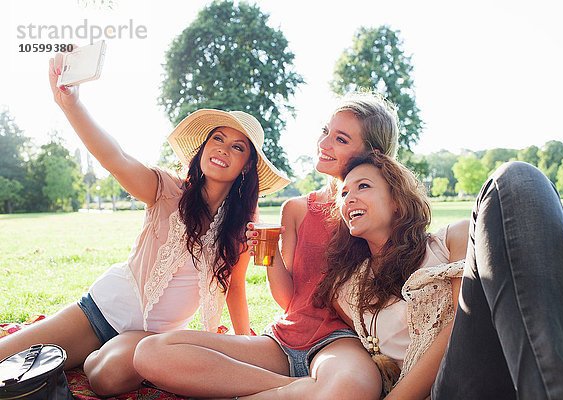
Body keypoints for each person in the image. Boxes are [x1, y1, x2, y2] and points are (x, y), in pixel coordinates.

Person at [0, 53, 290, 396]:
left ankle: (96, 359)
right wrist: (71, 104)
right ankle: (87, 353)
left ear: (245, 166)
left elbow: (235, 286)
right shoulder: (166, 189)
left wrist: (245, 342)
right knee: (5, 360)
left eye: (237, 147)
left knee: (107, 380)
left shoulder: (241, 227)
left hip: (152, 340)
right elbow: (116, 159)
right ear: (202, 149)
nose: (223, 150)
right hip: (100, 313)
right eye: (217, 139)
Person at [133, 92, 401, 399]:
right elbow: (290, 300)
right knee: (151, 352)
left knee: (350, 388)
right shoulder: (297, 209)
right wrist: (270, 257)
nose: (324, 144)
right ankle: (294, 390)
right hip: (282, 340)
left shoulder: (383, 212)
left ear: (373, 153)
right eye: (325, 132)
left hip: (339, 342)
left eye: (340, 139)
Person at [431, 161, 563, 400]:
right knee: (516, 179)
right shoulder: (358, 280)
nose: (354, 196)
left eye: (363, 186)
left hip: (531, 339)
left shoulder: (445, 240)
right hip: (461, 381)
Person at [313, 151, 467, 399]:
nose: (349, 198)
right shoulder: (346, 290)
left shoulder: (452, 240)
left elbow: (463, 325)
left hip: (469, 382)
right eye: (344, 193)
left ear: (397, 200)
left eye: (362, 186)